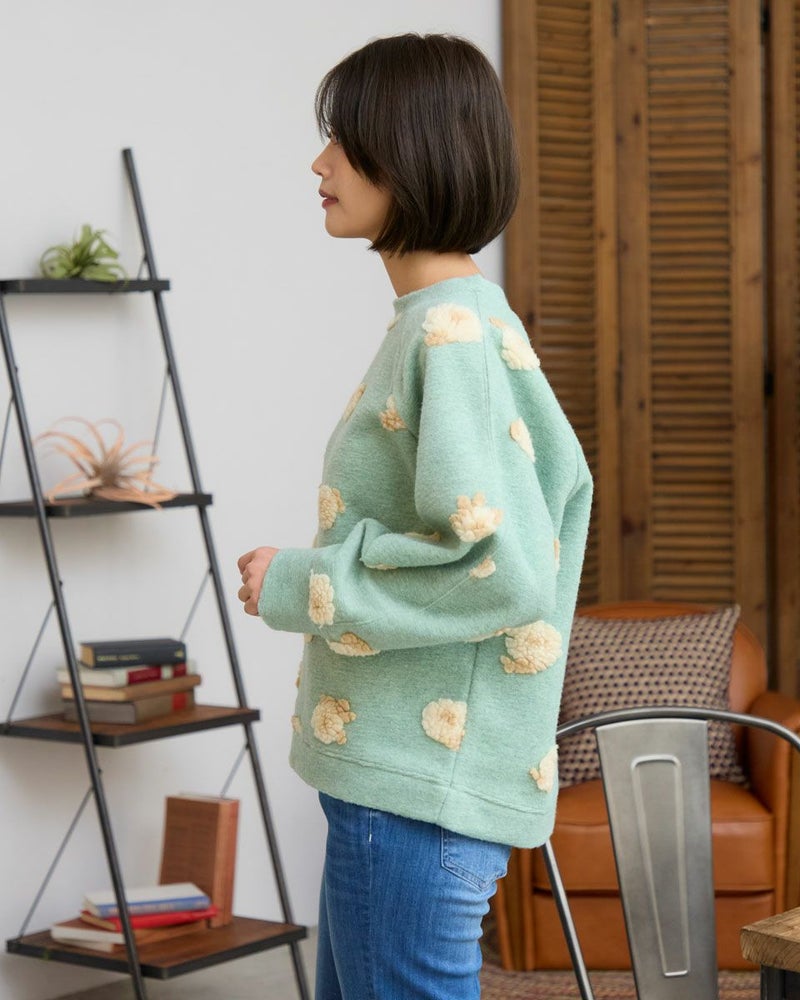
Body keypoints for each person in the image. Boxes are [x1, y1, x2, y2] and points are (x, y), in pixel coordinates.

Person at [237, 32, 592, 1000]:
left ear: (409, 153)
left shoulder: (451, 334)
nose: (319, 165)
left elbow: (501, 568)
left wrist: (298, 581)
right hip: (396, 787)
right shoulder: (446, 325)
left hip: (413, 798)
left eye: (343, 141)